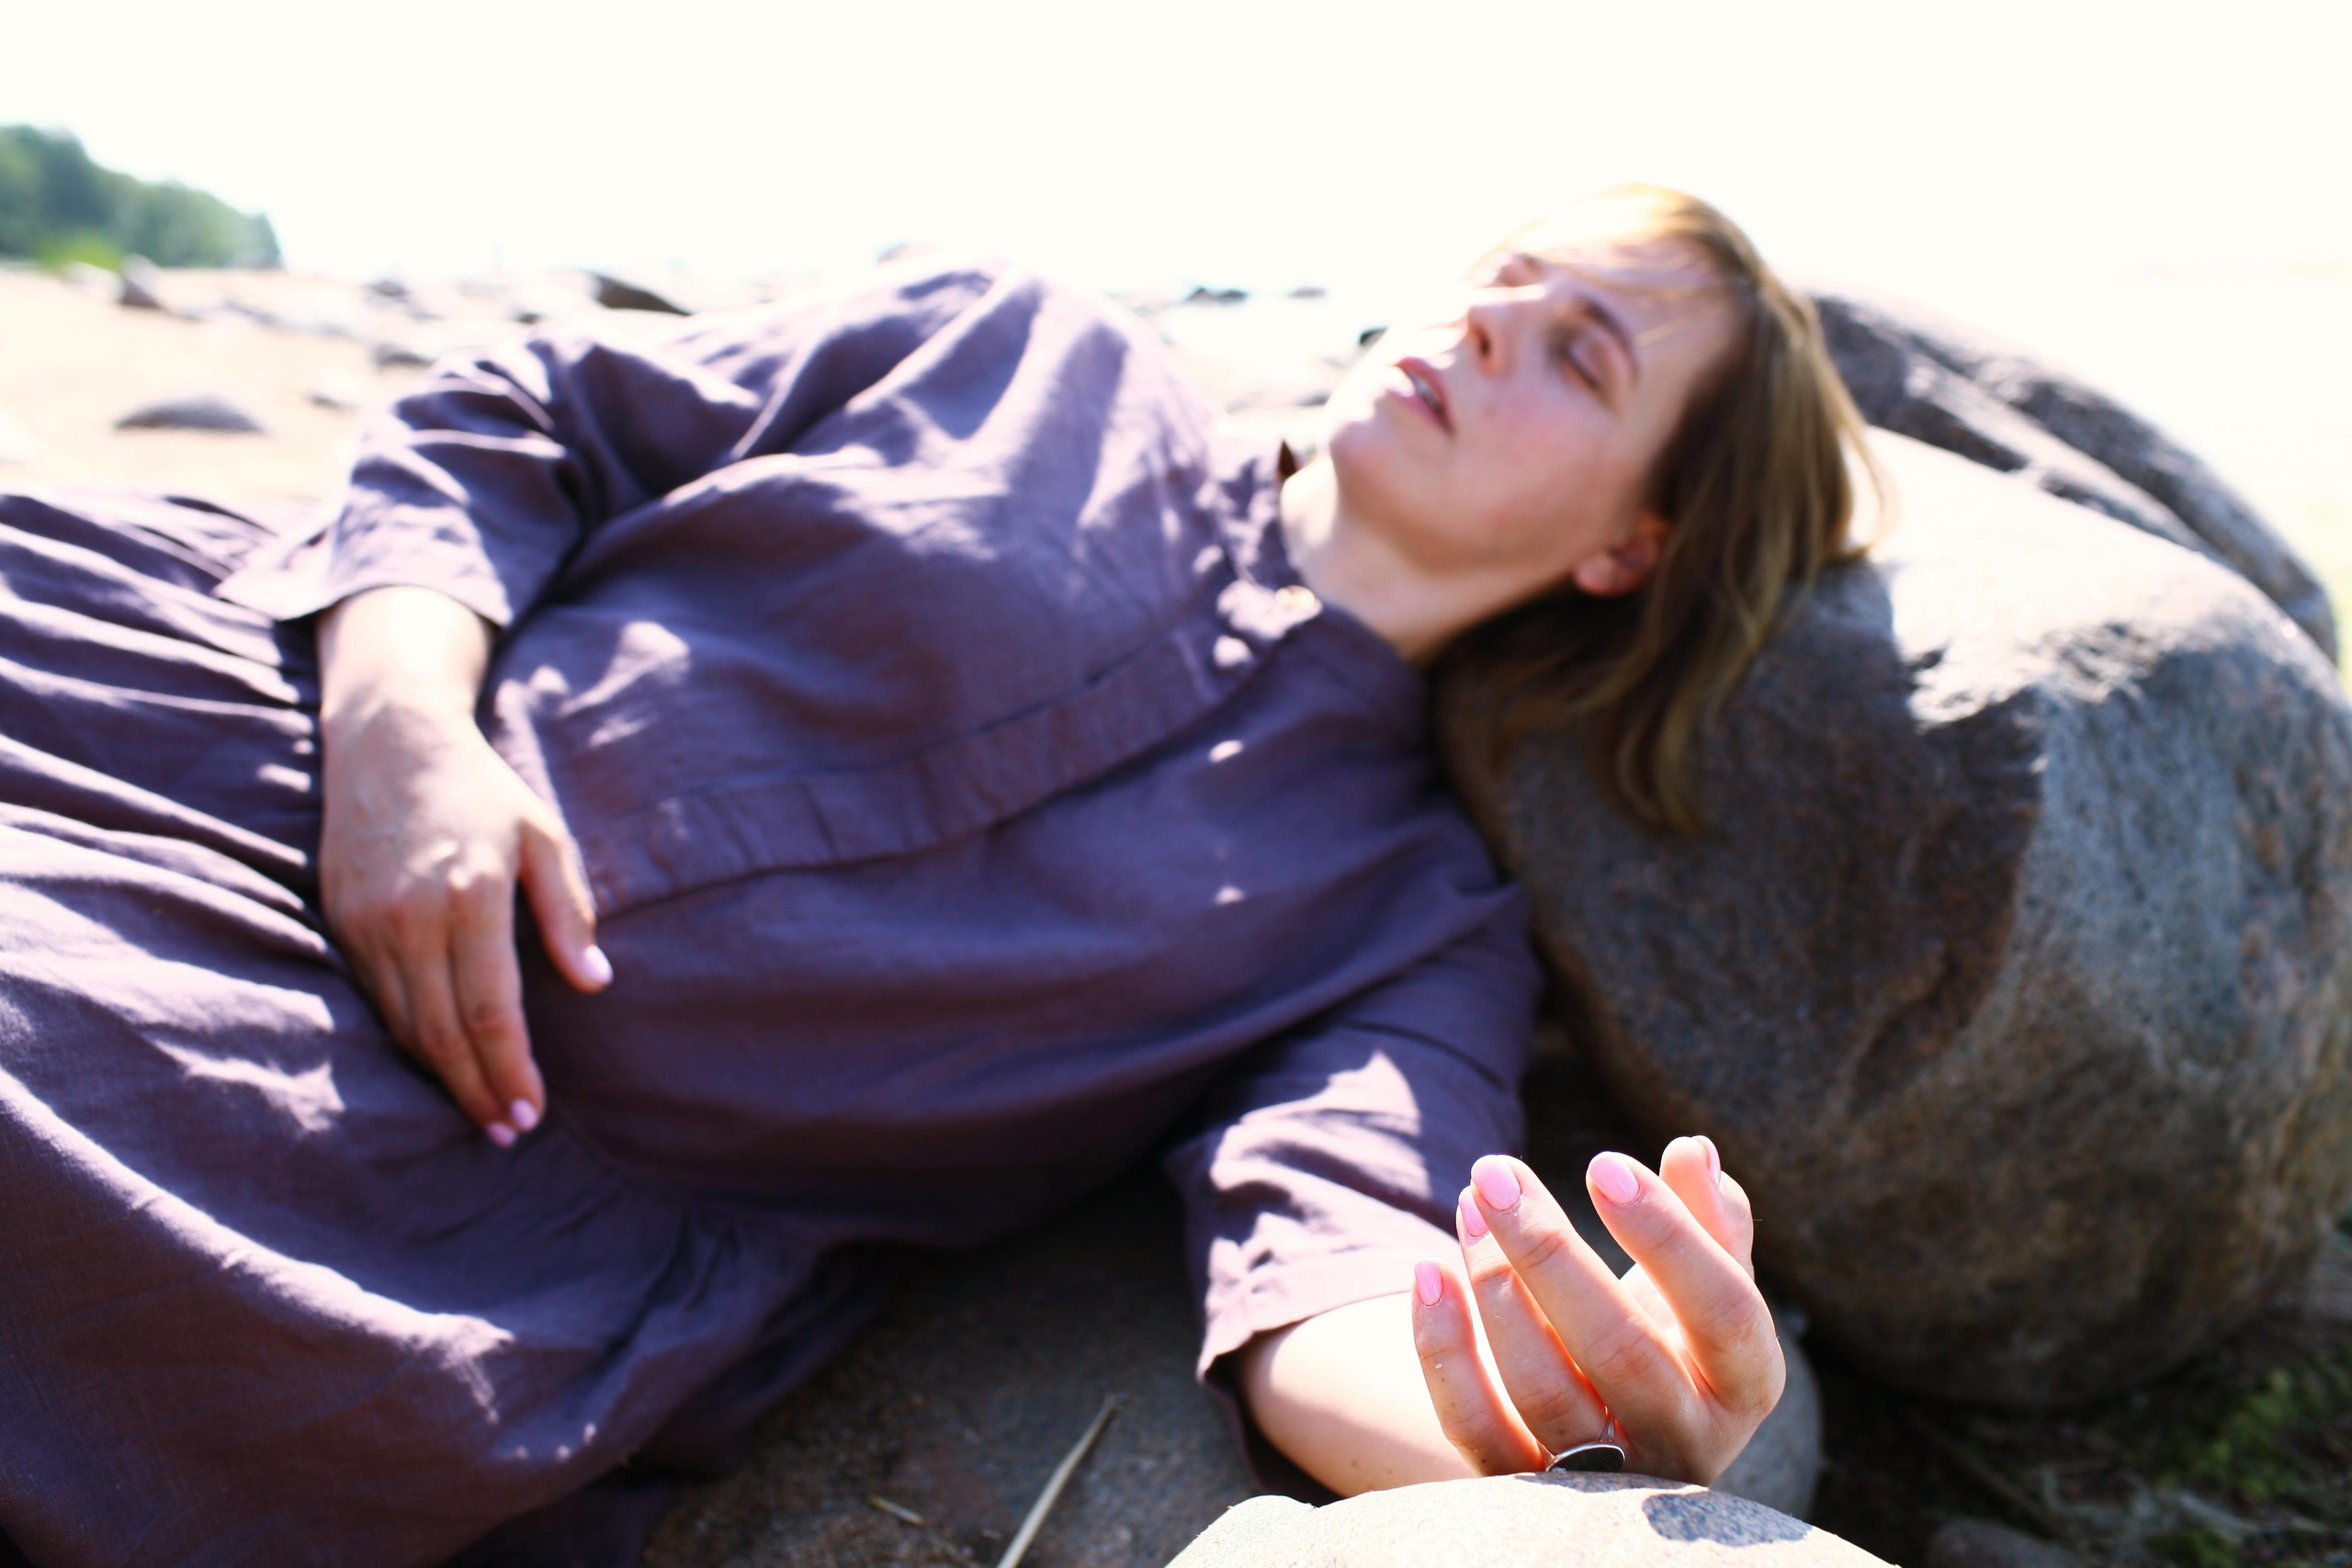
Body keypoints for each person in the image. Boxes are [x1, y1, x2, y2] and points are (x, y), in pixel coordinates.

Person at [0, 185, 1864, 1566]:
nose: (1484, 325)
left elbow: (1326, 1284)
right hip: (216, 713)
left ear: (1633, 542)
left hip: (369, 1187)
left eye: (1577, 352)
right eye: (1503, 276)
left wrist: (1558, 1431)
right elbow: (531, 418)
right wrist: (407, 724)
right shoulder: (1031, 343)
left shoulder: (1397, 913)